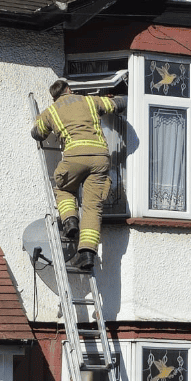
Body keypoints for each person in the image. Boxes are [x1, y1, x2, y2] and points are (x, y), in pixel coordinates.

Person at [31, 79, 126, 273]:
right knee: (93, 207)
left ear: (54, 96)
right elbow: (119, 104)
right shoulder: (89, 101)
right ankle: (87, 254)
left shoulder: (51, 111)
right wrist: (117, 97)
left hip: (74, 158)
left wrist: (40, 120)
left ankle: (70, 220)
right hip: (100, 158)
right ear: (69, 89)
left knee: (63, 188)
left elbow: (37, 134)